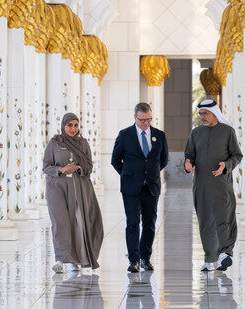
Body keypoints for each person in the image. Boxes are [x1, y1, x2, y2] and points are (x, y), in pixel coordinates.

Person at [184, 99, 242, 271]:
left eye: (205, 113)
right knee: (205, 220)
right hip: (201, 184)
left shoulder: (227, 132)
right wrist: (188, 163)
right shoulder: (196, 133)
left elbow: (237, 155)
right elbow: (190, 154)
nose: (202, 117)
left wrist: (226, 165)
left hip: (221, 183)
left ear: (214, 113)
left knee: (223, 217)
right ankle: (210, 259)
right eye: (200, 114)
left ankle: (226, 252)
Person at [111, 102, 169, 273]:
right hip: (131, 188)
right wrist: (129, 175)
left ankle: (145, 257)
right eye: (142, 120)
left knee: (150, 223)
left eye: (148, 120)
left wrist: (148, 174)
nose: (146, 123)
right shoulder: (124, 135)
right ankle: (134, 259)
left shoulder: (159, 135)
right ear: (135, 117)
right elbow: (115, 160)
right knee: (133, 223)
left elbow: (163, 160)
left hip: (151, 187)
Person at [43, 112, 104, 273]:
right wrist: (62, 169)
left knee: (77, 221)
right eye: (70, 125)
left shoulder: (83, 143)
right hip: (56, 187)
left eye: (76, 125)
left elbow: (89, 167)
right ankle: (60, 259)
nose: (73, 128)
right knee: (60, 222)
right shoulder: (55, 143)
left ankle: (74, 259)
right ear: (63, 126)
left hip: (78, 187)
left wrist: (77, 168)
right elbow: (46, 167)